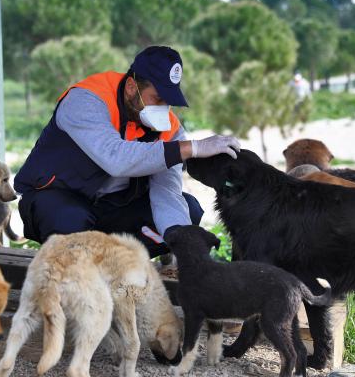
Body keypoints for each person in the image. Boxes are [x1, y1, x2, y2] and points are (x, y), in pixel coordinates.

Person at [14, 46, 240, 257]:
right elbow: (117, 158)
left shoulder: (170, 130)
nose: (163, 109)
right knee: (69, 218)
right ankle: (79, 266)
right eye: (158, 99)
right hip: (59, 200)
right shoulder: (85, 100)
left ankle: (117, 263)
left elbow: (166, 194)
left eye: (169, 102)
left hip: (113, 208)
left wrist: (182, 244)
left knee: (187, 211)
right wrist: (194, 148)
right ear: (132, 87)